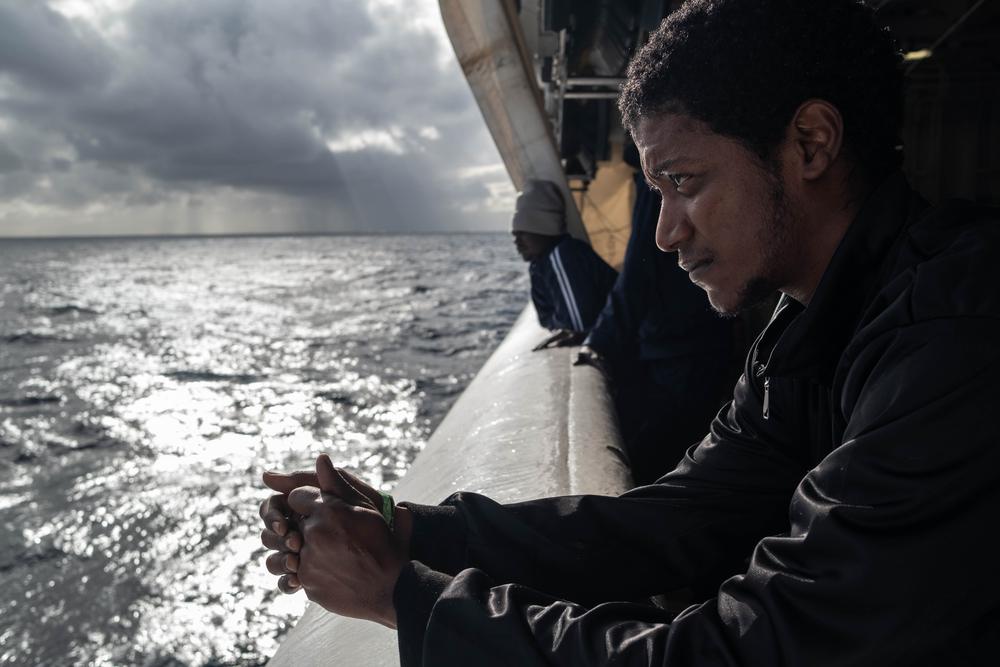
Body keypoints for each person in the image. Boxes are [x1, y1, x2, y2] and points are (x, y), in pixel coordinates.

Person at [259, 0, 1000, 664]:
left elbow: (759, 648)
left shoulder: (952, 343)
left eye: (685, 181)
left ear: (809, 142)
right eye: (657, 194)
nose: (666, 234)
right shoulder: (809, 325)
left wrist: (403, 598)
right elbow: (672, 520)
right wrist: (411, 528)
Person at [579, 149, 736, 484]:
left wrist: (599, 340)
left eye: (683, 182)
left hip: (683, 353)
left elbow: (637, 272)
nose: (666, 237)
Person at [509, 179, 617, 349]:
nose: (517, 242)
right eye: (515, 235)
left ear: (543, 229)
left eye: (523, 234)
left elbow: (576, 326)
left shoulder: (563, 255)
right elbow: (547, 318)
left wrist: (560, 322)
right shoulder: (540, 263)